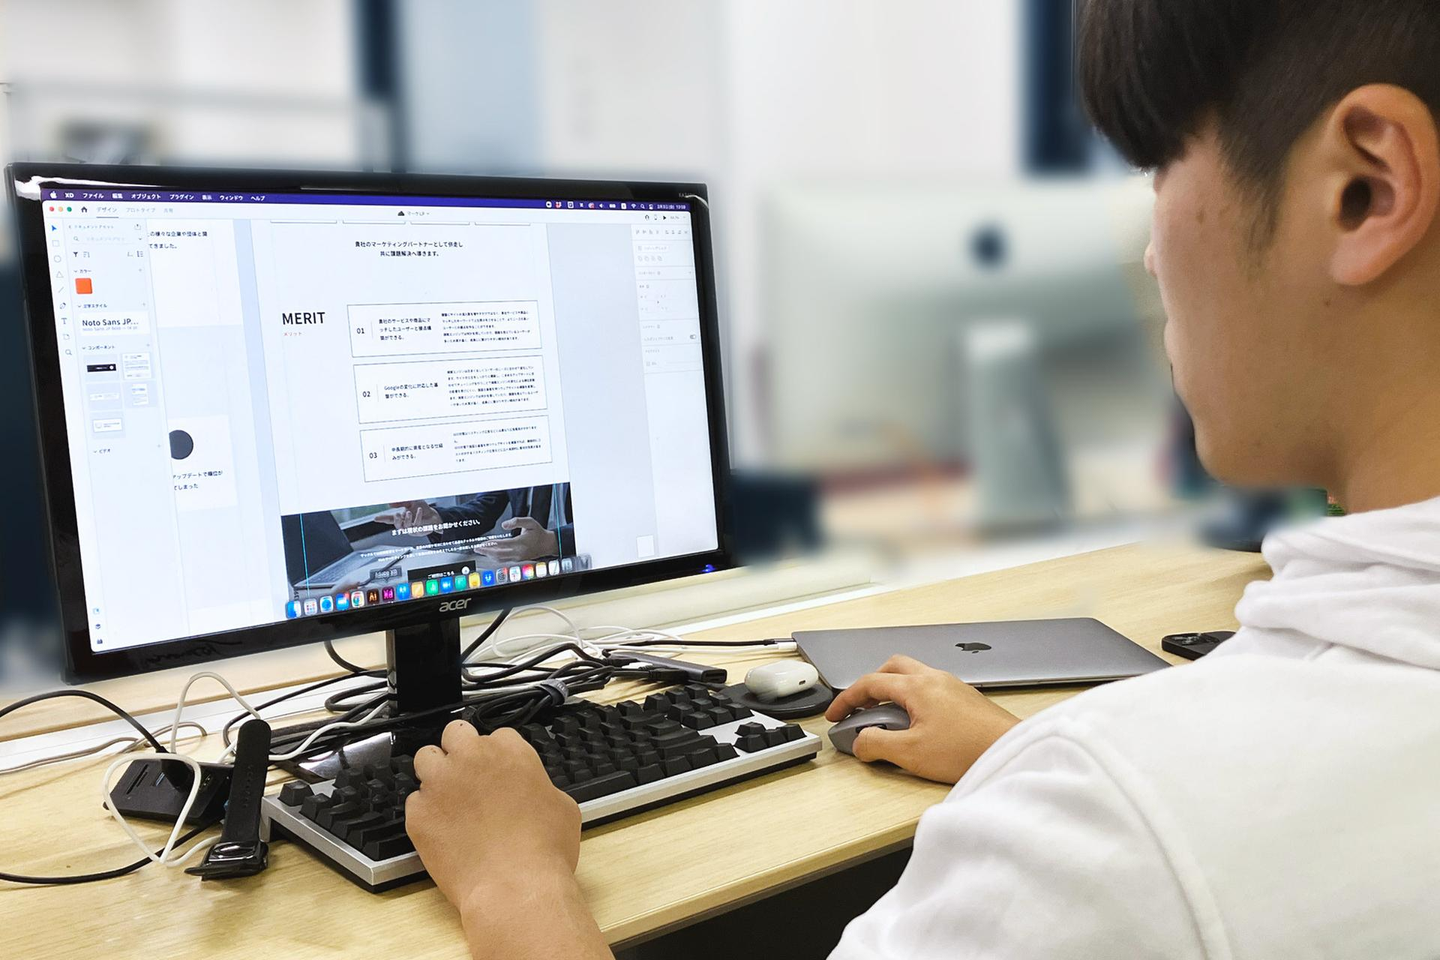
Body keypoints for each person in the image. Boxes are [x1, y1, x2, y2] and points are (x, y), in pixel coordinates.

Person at [403, 2, 1440, 956]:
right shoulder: (1170, 803)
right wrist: (1028, 757)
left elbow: (1171, 845)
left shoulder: (1130, 828)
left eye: (1163, 165)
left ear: (1368, 190)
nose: (1154, 255)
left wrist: (512, 884)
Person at [381, 483, 575, 564]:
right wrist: (437, 520)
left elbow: (596, 520)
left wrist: (551, 542)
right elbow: (484, 509)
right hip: (524, 567)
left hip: (579, 566)